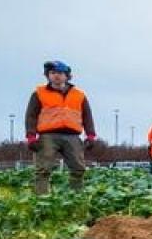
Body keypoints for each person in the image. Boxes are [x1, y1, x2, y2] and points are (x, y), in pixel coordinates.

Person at [24, 60, 98, 194]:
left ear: (67, 76)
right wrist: (31, 137)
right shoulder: (39, 93)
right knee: (43, 170)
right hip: (48, 136)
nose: (56, 76)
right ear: (47, 75)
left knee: (78, 168)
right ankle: (42, 200)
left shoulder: (79, 95)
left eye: (60, 73)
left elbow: (87, 116)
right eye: (52, 73)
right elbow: (31, 116)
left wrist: (91, 136)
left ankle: (76, 197)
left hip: (73, 136)